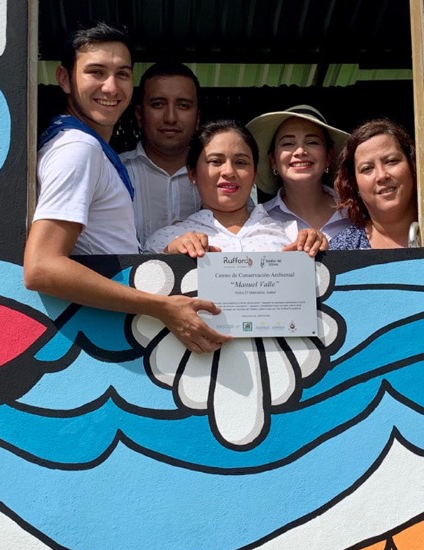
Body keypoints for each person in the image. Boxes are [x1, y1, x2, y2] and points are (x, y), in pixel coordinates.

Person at [23, 23, 228, 354]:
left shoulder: (84, 147)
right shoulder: (78, 149)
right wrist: (158, 306)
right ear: (64, 78)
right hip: (105, 336)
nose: (110, 86)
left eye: (122, 74)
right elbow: (42, 267)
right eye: (96, 72)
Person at [143, 120, 328, 257]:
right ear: (192, 173)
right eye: (215, 161)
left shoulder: (293, 234)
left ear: (254, 174)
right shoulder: (165, 240)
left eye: (241, 162)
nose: (229, 172)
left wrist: (317, 248)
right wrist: (169, 256)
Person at [120, 62, 201, 243]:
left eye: (183, 106)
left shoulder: (218, 176)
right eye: (158, 104)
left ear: (198, 118)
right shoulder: (114, 172)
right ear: (139, 114)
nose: (170, 117)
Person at [246, 104, 353, 240]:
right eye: (288, 143)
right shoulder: (257, 220)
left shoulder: (356, 213)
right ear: (273, 160)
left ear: (328, 157)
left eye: (312, 142)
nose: (300, 151)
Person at [328, 119, 419, 250]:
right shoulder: (342, 249)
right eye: (367, 168)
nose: (382, 175)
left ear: (413, 166)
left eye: (391, 161)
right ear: (354, 184)